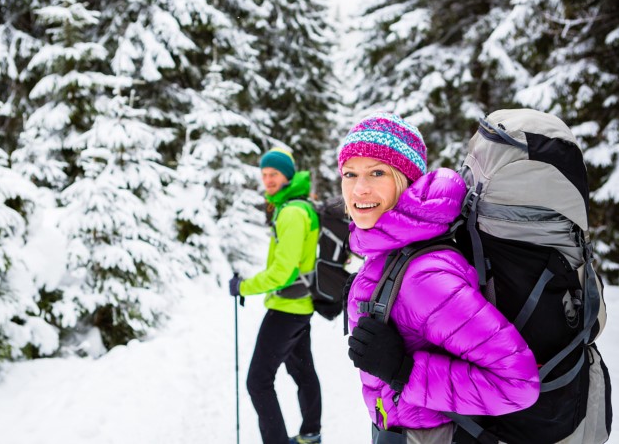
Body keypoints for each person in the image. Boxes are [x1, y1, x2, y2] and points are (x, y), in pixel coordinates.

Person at [339, 112, 541, 443]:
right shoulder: (394, 247)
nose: (359, 188)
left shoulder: (425, 277)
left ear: (405, 180)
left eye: (377, 172)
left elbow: (518, 385)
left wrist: (403, 371)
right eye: (350, 174)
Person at [229, 148, 322, 444]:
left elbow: (283, 272)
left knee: (258, 381)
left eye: (274, 174)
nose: (268, 179)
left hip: (287, 308)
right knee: (302, 370)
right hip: (299, 305)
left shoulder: (293, 212)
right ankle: (311, 433)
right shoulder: (293, 206)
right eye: (265, 174)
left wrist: (243, 287)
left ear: (288, 176)